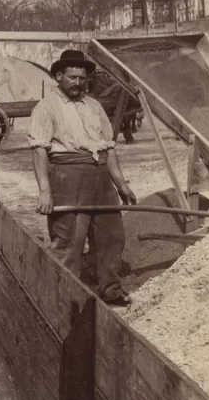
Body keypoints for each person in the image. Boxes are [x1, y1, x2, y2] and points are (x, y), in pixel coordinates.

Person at [28, 49, 137, 306]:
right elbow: (39, 150)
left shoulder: (94, 106)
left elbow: (108, 146)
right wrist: (45, 191)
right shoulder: (46, 107)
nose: (77, 83)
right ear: (58, 76)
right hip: (68, 177)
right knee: (68, 242)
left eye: (81, 78)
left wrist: (120, 183)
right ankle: (65, 299)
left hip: (100, 178)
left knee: (111, 236)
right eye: (72, 77)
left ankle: (110, 289)